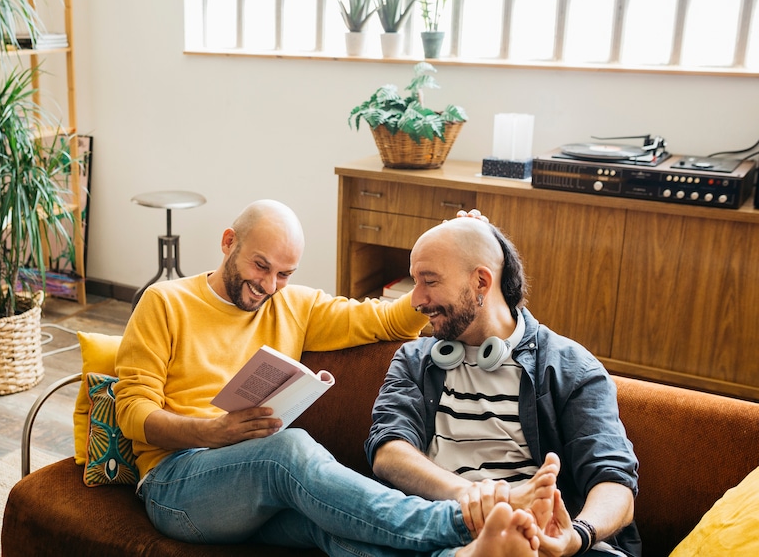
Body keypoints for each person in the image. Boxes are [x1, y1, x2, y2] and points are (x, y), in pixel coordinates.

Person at [115, 199, 564, 556]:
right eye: (260, 266)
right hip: (175, 485)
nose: (270, 286)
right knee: (286, 450)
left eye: (284, 274)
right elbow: (132, 411)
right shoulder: (165, 301)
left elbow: (387, 321)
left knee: (331, 524)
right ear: (228, 241)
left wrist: (456, 255)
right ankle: (461, 518)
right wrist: (211, 432)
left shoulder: (294, 306)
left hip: (249, 493)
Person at [365, 216, 640, 556]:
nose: (415, 299)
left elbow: (615, 484)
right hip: (445, 525)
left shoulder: (570, 367)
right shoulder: (414, 359)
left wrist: (577, 536)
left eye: (429, 281)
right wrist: (473, 497)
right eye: (415, 281)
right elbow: (388, 451)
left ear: (481, 281)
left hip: (536, 537)